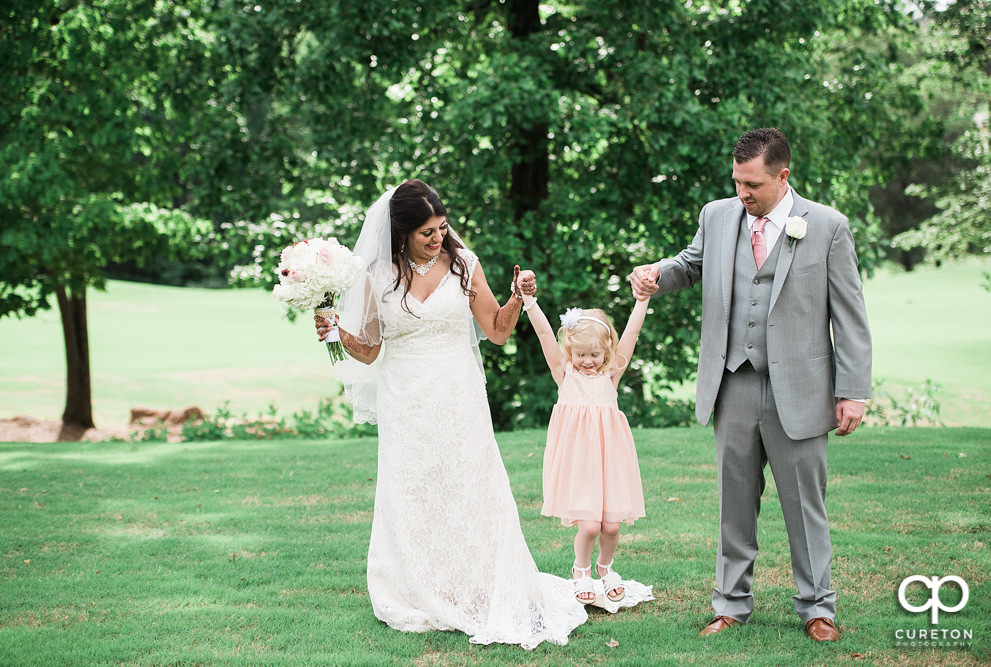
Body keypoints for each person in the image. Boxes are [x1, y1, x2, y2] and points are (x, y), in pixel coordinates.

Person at [314, 179, 587, 649]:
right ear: (401, 233)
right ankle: (421, 586)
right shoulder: (377, 274)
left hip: (459, 394)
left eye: (441, 227)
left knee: (469, 484)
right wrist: (336, 332)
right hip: (404, 398)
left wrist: (519, 296)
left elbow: (498, 331)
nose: (438, 237)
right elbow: (371, 348)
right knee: (414, 487)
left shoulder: (464, 265)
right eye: (426, 232)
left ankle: (477, 583)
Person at [629, 128, 872, 642]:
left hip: (802, 388)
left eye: (754, 184)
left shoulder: (827, 226)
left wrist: (853, 389)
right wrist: (656, 274)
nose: (743, 193)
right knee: (733, 501)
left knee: (805, 505)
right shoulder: (716, 216)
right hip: (732, 382)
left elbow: (850, 315)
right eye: (738, 181)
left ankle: (817, 608)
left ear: (784, 176)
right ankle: (731, 604)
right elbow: (690, 265)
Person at [520, 291, 654, 612]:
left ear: (606, 351)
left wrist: (642, 300)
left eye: (595, 354)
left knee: (612, 526)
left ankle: (605, 568)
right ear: (570, 350)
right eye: (580, 353)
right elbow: (541, 333)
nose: (588, 360)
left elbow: (632, 334)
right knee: (590, 525)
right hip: (579, 461)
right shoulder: (564, 374)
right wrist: (529, 301)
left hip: (610, 458)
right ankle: (581, 569)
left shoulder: (611, 374)